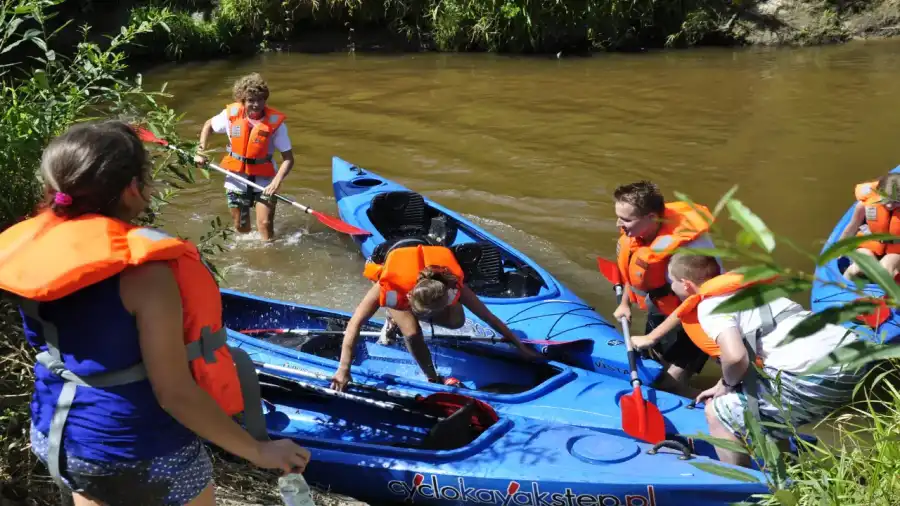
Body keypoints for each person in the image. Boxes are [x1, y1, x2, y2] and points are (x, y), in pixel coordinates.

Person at [0, 121, 310, 506]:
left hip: (57, 434)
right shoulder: (145, 276)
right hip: (139, 447)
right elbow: (174, 393)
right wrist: (258, 451)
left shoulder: (32, 250)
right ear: (133, 188)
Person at [654, 252, 867, 468]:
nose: (671, 287)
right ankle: (785, 470)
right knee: (758, 401)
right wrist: (722, 383)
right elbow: (757, 347)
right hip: (854, 355)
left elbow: (736, 357)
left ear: (686, 285)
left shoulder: (710, 306)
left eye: (672, 282)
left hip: (816, 374)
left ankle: (743, 485)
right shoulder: (754, 291)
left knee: (717, 411)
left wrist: (728, 385)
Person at [330, 243, 543, 391]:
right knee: (413, 333)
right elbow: (354, 324)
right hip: (390, 258)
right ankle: (430, 374)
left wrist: (520, 348)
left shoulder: (451, 285)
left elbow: (489, 317)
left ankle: (411, 317)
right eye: (425, 312)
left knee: (457, 321)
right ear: (410, 297)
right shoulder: (391, 287)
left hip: (425, 266)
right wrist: (343, 369)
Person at [611, 181, 720, 398]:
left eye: (625, 219)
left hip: (696, 319)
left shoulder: (686, 255)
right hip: (664, 308)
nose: (618, 224)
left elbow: (696, 301)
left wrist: (652, 337)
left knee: (668, 387)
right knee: (654, 370)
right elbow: (635, 269)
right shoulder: (641, 233)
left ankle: (722, 405)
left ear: (651, 218)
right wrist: (625, 303)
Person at [195, 73, 294, 241]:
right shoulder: (229, 116)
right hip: (236, 179)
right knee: (242, 227)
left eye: (260, 100)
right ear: (242, 100)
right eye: (251, 100)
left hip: (266, 181)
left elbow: (289, 159)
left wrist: (276, 182)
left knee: (264, 225)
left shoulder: (276, 124)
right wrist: (200, 151)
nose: (256, 105)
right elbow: (208, 126)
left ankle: (267, 258)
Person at [837, 172, 900, 280]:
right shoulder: (863, 206)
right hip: (869, 245)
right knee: (860, 267)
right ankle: (841, 287)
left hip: (896, 249)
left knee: (885, 270)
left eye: (896, 202)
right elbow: (852, 227)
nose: (890, 205)